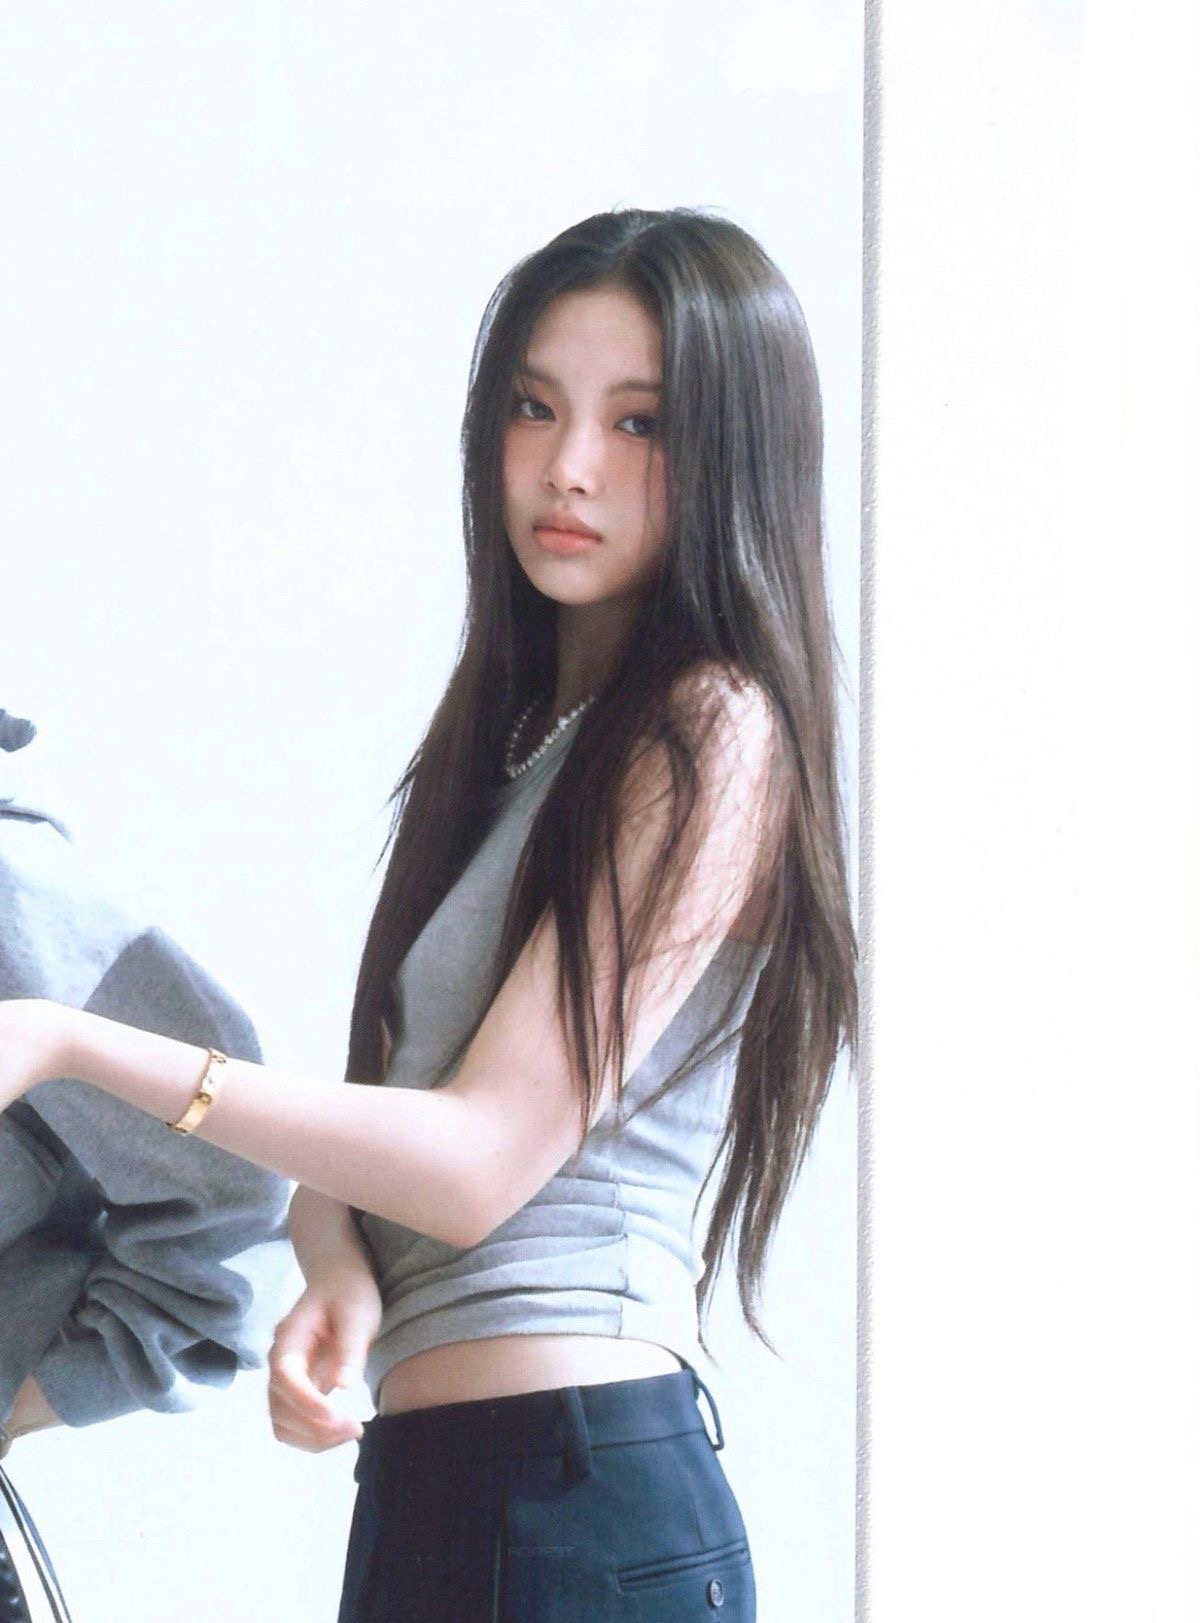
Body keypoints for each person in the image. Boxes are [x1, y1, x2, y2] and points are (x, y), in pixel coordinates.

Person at [0, 208, 857, 1620]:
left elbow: (477, 1165)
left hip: (579, 1486)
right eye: (534, 406)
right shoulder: (525, 742)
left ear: (735, 453)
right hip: (446, 1481)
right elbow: (400, 1137)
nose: (568, 465)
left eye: (639, 423)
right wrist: (338, 1260)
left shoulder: (711, 730)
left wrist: (70, 1042)